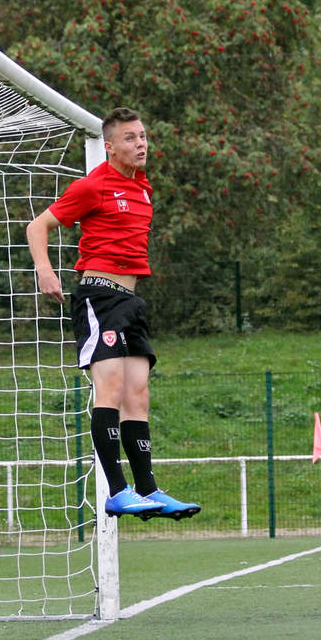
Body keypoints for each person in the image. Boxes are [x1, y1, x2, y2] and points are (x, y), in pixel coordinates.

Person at [26, 107, 200, 521]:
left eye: (142, 136)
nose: (140, 144)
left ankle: (148, 490)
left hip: (131, 303)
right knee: (112, 388)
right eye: (130, 138)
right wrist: (45, 271)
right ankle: (117, 491)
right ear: (110, 147)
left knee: (138, 393)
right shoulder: (93, 186)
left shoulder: (143, 189)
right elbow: (38, 226)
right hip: (98, 297)